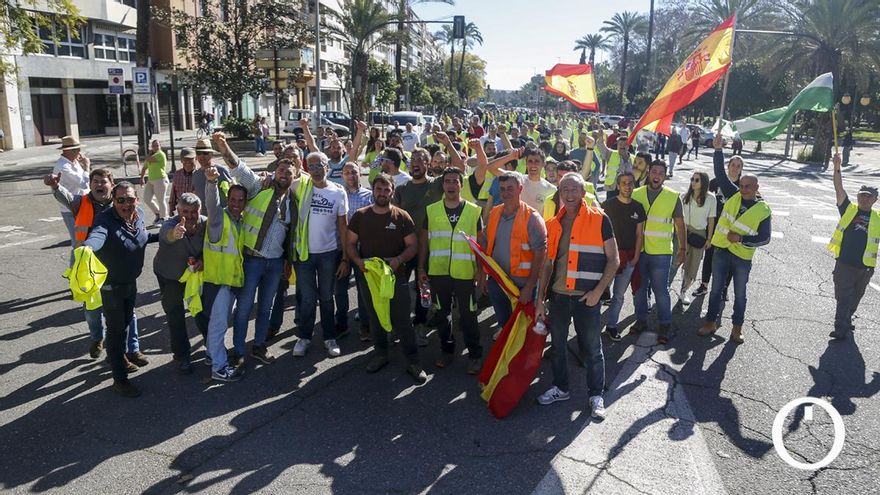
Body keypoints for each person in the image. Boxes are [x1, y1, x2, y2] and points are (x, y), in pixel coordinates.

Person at [535, 173, 618, 419]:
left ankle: (596, 395)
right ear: (559, 194)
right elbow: (548, 266)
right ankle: (561, 388)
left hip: (586, 298)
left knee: (593, 349)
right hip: (559, 297)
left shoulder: (599, 219)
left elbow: (614, 260)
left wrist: (598, 292)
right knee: (558, 347)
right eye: (564, 190)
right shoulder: (553, 223)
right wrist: (540, 300)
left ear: (583, 193)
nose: (569, 194)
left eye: (574, 189)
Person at [46, 168, 141, 361]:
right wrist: (55, 185)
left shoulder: (119, 204)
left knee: (127, 310)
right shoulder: (81, 203)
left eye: (103, 181)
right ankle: (98, 338)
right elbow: (66, 197)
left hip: (114, 264)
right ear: (90, 184)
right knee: (92, 310)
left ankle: (133, 349)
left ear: (111, 184)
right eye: (95, 181)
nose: (99, 185)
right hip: (88, 265)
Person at [224, 133, 298, 365]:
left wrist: (287, 261)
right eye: (281, 170)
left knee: (265, 308)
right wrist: (223, 146)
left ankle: (258, 346)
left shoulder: (293, 202)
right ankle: (237, 349)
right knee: (244, 308)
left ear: (295, 176)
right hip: (252, 260)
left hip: (275, 263)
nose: (284, 174)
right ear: (275, 171)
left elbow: (291, 235)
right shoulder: (259, 187)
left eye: (289, 172)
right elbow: (240, 169)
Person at [348, 174, 427, 383]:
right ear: (373, 191)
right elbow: (349, 243)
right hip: (369, 277)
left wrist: (399, 259)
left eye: (386, 190)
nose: (382, 193)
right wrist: (358, 261)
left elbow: (413, 245)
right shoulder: (360, 215)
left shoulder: (401, 216)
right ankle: (381, 354)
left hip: (396, 276)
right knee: (375, 316)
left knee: (402, 319)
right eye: (378, 189)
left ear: (392, 192)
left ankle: (413, 361)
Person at [83, 182, 156, 398]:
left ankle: (119, 358)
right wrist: (88, 246)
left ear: (137, 200)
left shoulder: (139, 215)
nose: (125, 204)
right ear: (113, 201)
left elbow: (142, 237)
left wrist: (167, 235)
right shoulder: (105, 219)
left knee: (124, 325)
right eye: (120, 200)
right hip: (111, 286)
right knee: (115, 332)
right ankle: (120, 380)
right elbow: (98, 234)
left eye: (130, 199)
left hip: (129, 282)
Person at [698, 136, 772, 343]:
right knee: (715, 290)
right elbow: (720, 175)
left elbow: (765, 238)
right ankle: (710, 323)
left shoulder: (763, 209)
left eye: (748, 186)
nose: (744, 188)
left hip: (742, 257)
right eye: (742, 184)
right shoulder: (733, 194)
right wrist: (718, 150)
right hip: (721, 251)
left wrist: (741, 238)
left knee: (740, 295)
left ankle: (736, 328)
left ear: (756, 188)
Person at [418, 167, 484, 374]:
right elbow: (424, 242)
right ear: (443, 185)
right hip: (439, 273)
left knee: (468, 315)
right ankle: (447, 351)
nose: (451, 185)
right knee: (442, 314)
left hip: (465, 272)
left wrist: (481, 271)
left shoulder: (474, 211)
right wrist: (421, 267)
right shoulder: (432, 210)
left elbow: (479, 243)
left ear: (461, 186)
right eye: (448, 181)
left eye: (455, 181)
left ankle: (475, 355)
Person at [291, 151, 349, 358]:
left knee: (326, 297)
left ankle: (329, 337)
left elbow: (343, 226)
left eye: (319, 165)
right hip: (304, 254)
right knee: (307, 299)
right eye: (311, 166)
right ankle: (304, 337)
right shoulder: (299, 186)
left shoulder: (338, 192)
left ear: (327, 167)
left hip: (329, 254)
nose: (315, 170)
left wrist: (345, 257)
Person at [480, 171, 548, 340]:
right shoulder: (495, 213)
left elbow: (541, 254)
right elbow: (487, 246)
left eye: (510, 188)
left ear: (520, 189)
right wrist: (483, 275)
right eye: (502, 189)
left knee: (523, 328)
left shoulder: (532, 218)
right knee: (504, 322)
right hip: (498, 281)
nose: (506, 193)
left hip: (522, 286)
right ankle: (505, 337)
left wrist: (530, 287)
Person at [631, 160, 687, 344]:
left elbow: (680, 224)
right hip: (639, 251)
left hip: (661, 252)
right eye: (653, 171)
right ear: (648, 173)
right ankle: (640, 320)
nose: (656, 175)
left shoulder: (672, 196)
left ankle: (665, 324)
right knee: (639, 289)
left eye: (660, 173)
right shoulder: (636, 193)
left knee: (660, 290)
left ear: (664, 176)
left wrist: (683, 249)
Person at [154, 193, 210, 374]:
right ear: (178, 211)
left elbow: (212, 247)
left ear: (199, 210)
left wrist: (203, 259)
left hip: (194, 275)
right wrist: (175, 234)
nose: (191, 215)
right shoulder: (171, 224)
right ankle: (182, 355)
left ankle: (213, 347)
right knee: (175, 314)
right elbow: (166, 236)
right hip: (170, 275)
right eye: (185, 211)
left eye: (194, 211)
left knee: (201, 311)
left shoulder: (206, 223)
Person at [392, 148, 444, 341]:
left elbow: (461, 168)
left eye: (421, 159)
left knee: (425, 289)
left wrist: (446, 141)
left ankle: (421, 323)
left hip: (430, 249)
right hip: (405, 248)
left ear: (428, 164)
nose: (416, 162)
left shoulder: (437, 184)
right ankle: (400, 324)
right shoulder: (401, 189)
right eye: (412, 159)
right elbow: (394, 218)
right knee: (400, 289)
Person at [203, 166, 248, 382]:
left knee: (217, 324)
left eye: (241, 200)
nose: (236, 204)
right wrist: (211, 183)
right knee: (219, 326)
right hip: (217, 282)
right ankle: (219, 369)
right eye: (233, 199)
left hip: (229, 283)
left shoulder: (241, 221)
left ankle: (212, 356)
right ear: (227, 198)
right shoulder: (219, 219)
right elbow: (212, 205)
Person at [827, 153, 878, 340]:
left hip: (865, 268)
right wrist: (837, 167)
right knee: (843, 298)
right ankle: (840, 328)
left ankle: (847, 318)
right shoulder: (848, 209)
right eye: (861, 196)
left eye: (868, 197)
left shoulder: (878, 219)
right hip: (845, 264)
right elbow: (838, 188)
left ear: (875, 199)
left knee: (855, 299)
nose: (864, 199)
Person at [600, 172, 645, 341]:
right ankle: (590, 330)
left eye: (630, 183)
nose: (627, 186)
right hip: (608, 259)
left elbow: (639, 234)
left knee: (618, 295)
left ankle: (611, 326)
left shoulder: (638, 207)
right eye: (624, 183)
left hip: (628, 258)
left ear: (634, 185)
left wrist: (636, 257)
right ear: (618, 186)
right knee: (600, 293)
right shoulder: (607, 205)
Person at [693, 152, 742, 297]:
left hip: (732, 229)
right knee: (709, 254)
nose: (735, 168)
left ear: (741, 169)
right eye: (733, 165)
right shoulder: (716, 182)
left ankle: (724, 288)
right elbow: (705, 201)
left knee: (729, 259)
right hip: (714, 225)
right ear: (728, 166)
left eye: (738, 166)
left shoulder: (743, 186)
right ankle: (704, 285)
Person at [669, 171, 716, 305]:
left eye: (697, 180)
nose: (693, 182)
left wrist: (709, 238)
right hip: (683, 231)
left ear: (704, 183)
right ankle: (666, 287)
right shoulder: (684, 197)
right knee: (675, 262)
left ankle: (683, 292)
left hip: (699, 234)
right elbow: (676, 217)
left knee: (692, 267)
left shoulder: (711, 198)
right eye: (692, 179)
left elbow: (711, 219)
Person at [342, 162, 374, 341]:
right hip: (340, 250)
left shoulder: (369, 195)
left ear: (360, 173)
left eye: (354, 172)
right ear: (342, 176)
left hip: (362, 249)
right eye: (347, 173)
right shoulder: (339, 194)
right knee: (339, 290)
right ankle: (341, 324)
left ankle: (365, 326)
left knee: (363, 290)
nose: (351, 175)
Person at [53, 136, 91, 251]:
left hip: (82, 205)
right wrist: (87, 167)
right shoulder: (63, 167)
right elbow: (83, 183)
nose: (80, 152)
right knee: (78, 243)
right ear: (70, 151)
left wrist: (83, 166)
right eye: (78, 149)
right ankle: (75, 268)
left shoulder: (74, 162)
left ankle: (83, 267)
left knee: (85, 240)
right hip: (72, 210)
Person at [300, 119, 365, 184]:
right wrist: (305, 127)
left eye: (338, 148)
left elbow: (355, 147)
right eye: (333, 147)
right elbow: (312, 145)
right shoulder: (324, 162)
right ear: (329, 149)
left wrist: (360, 130)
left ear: (343, 150)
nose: (336, 150)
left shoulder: (347, 162)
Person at [140, 139, 169, 225]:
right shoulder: (152, 155)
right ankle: (158, 213)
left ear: (160, 146)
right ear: (151, 147)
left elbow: (147, 158)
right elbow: (144, 168)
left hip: (161, 179)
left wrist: (148, 154)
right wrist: (141, 178)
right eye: (154, 146)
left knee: (161, 200)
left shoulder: (161, 154)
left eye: (157, 145)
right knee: (147, 198)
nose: (156, 147)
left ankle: (164, 218)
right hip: (151, 180)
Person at [521, 149, 557, 213]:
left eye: (537, 161)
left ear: (543, 164)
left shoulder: (551, 189)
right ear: (526, 163)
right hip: (519, 222)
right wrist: (511, 156)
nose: (533, 165)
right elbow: (496, 169)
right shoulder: (518, 179)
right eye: (530, 161)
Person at [599, 134, 633, 200]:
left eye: (625, 144)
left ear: (628, 146)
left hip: (627, 189)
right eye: (620, 144)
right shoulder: (611, 154)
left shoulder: (633, 158)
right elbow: (601, 147)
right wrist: (600, 137)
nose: (622, 146)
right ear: (617, 145)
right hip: (612, 188)